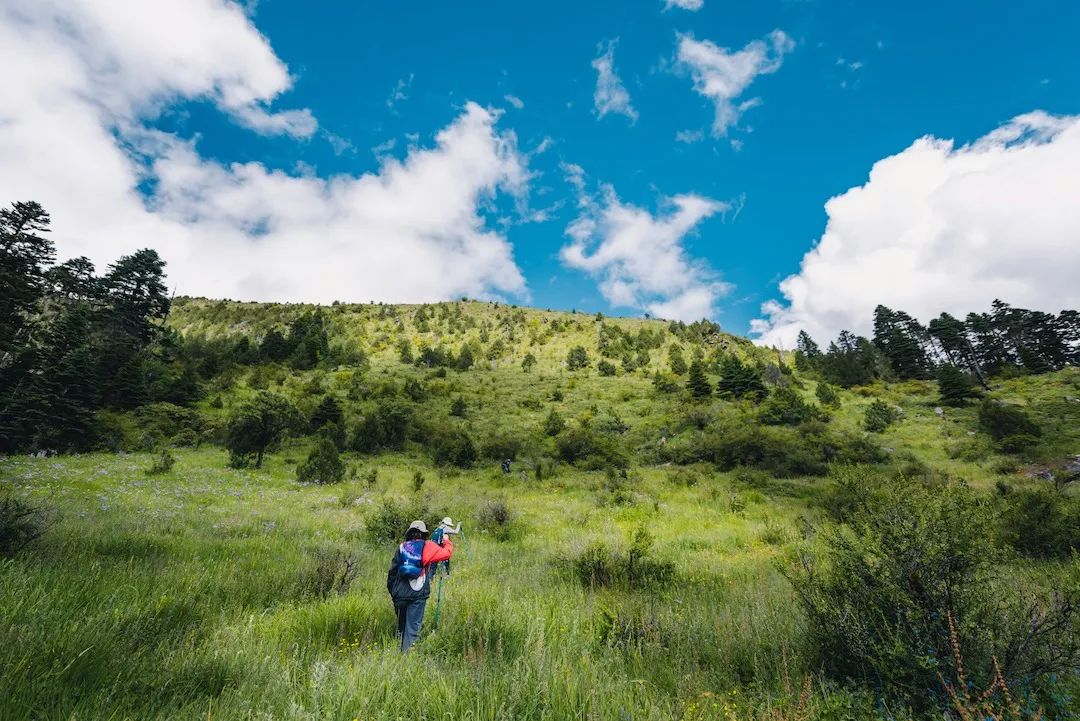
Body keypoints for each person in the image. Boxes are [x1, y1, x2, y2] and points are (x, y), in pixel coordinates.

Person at [386, 519, 453, 651]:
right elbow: (447, 553)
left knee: (401, 627)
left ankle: (396, 656)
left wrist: (393, 592)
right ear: (424, 534)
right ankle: (406, 661)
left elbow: (392, 573)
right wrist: (446, 540)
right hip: (417, 595)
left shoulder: (401, 547)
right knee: (412, 630)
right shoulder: (427, 546)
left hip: (399, 594)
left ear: (409, 533)